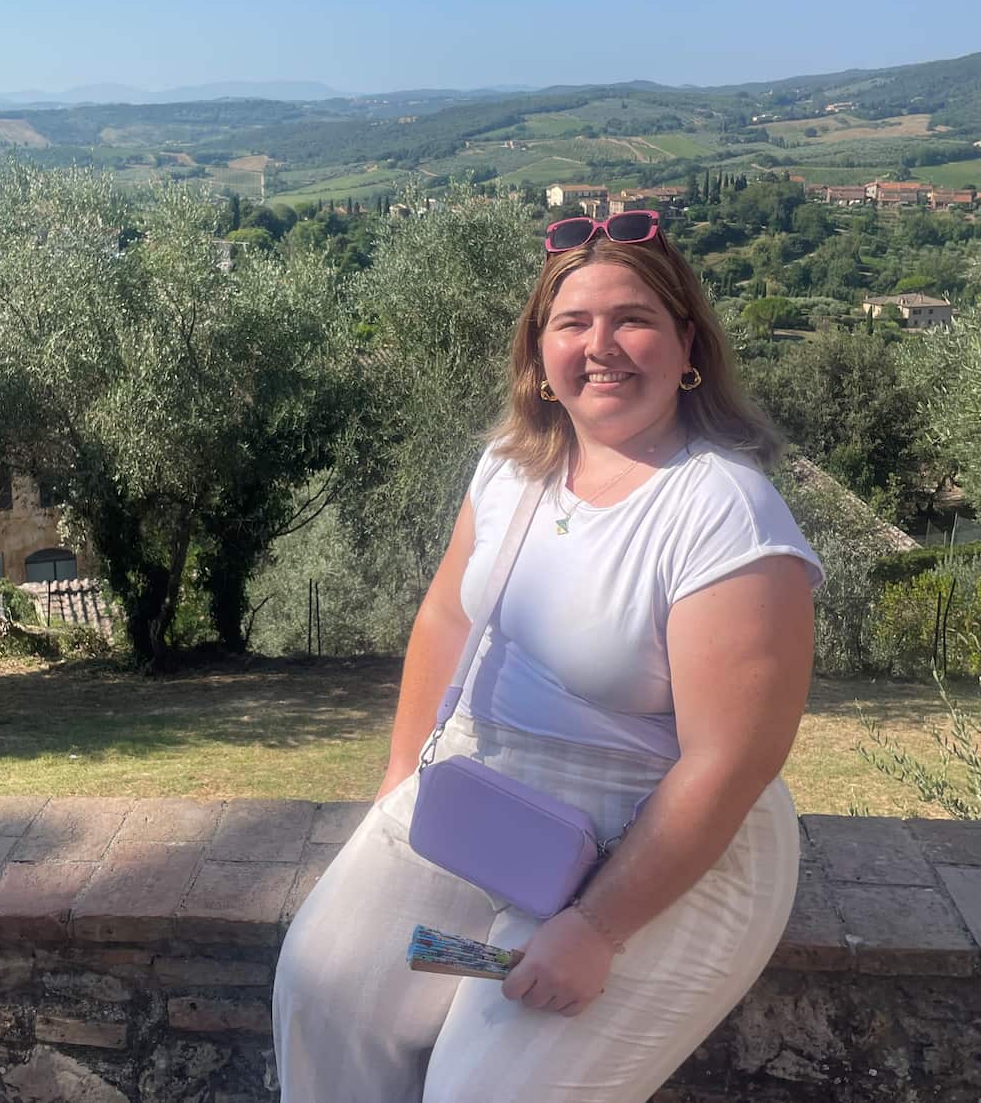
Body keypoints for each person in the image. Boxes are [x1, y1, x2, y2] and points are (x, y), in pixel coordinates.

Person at [272, 210, 823, 1103]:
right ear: (538, 354)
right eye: (572, 323)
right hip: (486, 802)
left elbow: (733, 758)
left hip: (657, 849)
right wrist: (398, 782)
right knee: (323, 999)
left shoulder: (724, 512)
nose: (601, 345)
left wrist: (598, 929)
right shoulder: (511, 467)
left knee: (483, 1093)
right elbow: (447, 620)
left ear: (687, 345)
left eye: (632, 318)